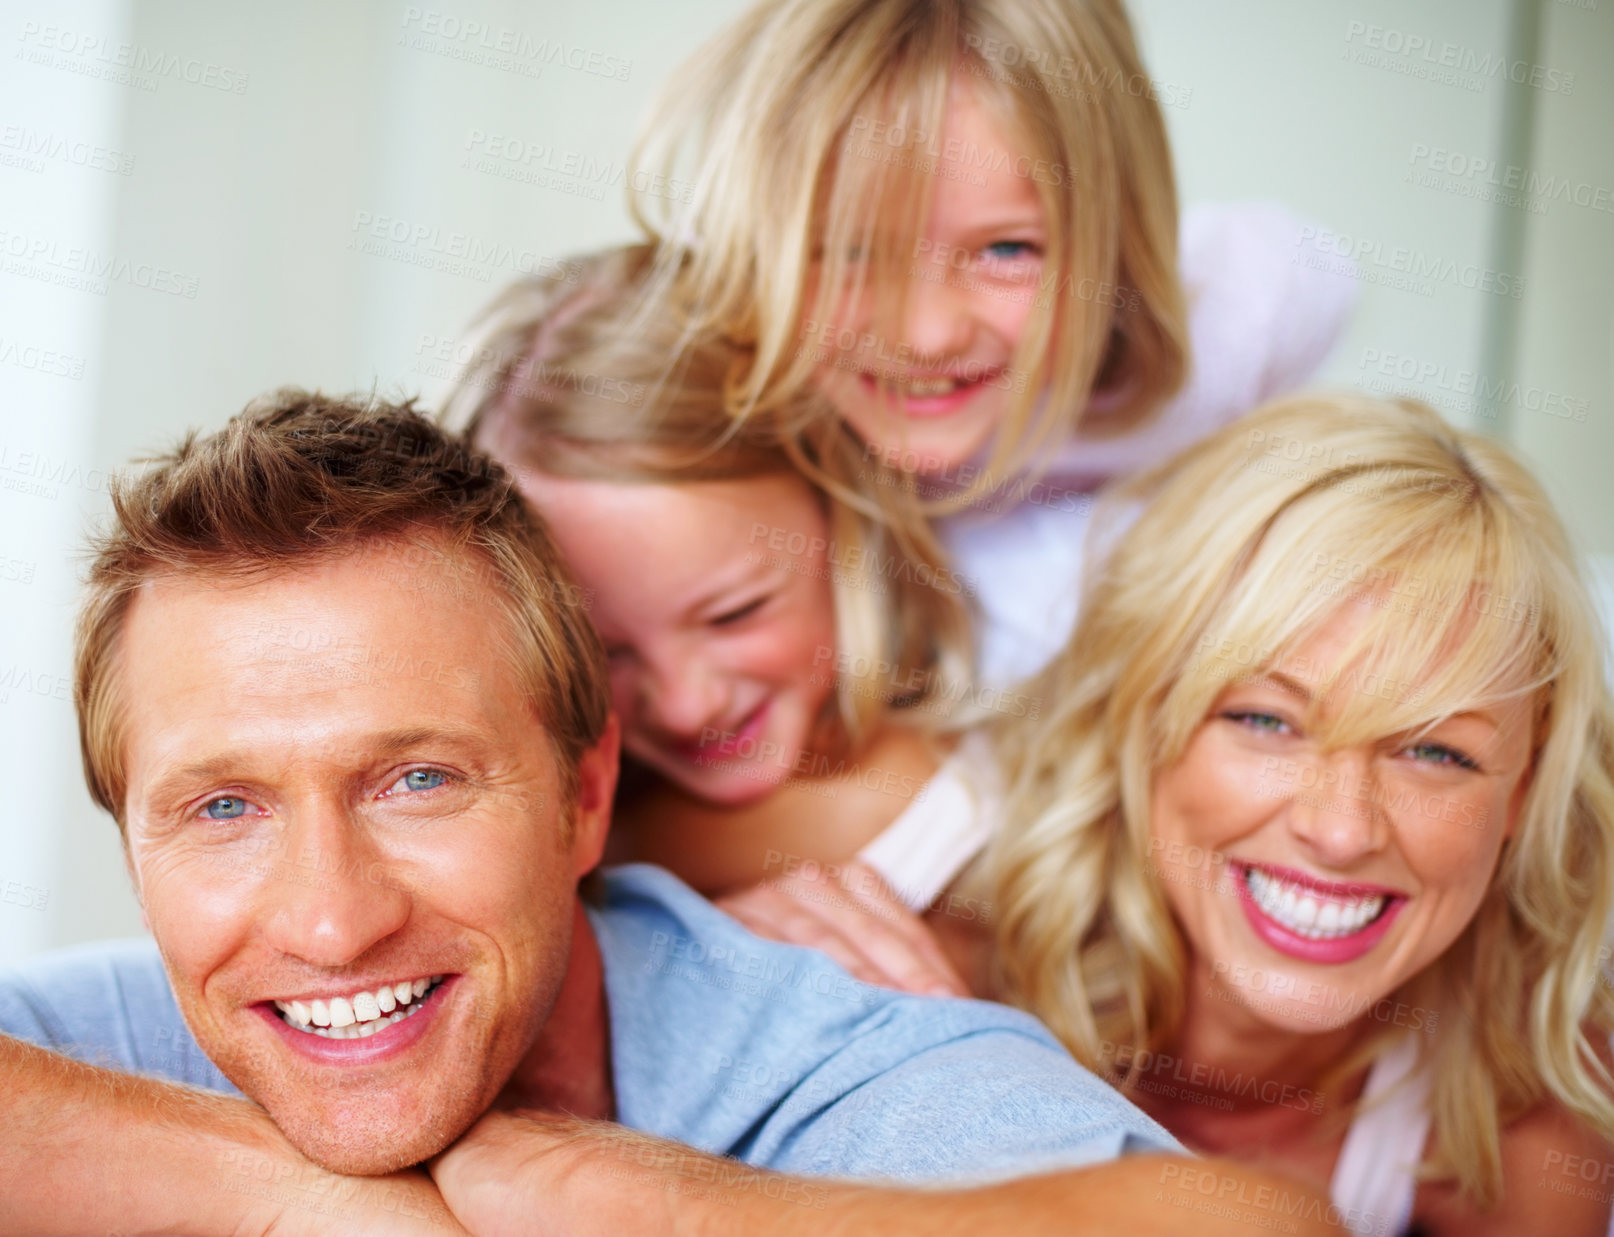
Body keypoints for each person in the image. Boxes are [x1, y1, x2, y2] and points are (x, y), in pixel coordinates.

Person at [0, 391, 1338, 1236]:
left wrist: (614, 1193)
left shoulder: (824, 1066)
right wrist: (290, 1198)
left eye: (418, 780)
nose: (332, 919)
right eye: (223, 806)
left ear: (588, 794)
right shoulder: (134, 1042)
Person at [742, 394, 1614, 1234]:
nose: (1343, 830)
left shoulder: (1522, 1129)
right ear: (1141, 717)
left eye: (1434, 752)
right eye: (1265, 720)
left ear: (1521, 795)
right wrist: (692, 945)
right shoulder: (902, 827)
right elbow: (602, 849)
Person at [630, 0, 1357, 684]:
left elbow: (1312, 275)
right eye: (850, 252)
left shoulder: (1240, 318)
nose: (925, 335)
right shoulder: (709, 360)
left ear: (1116, 246)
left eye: (1007, 250)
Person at [445, 246, 998, 986]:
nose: (685, 703)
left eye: (735, 614)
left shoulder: (915, 799)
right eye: (605, 652)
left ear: (845, 521)